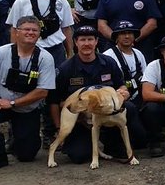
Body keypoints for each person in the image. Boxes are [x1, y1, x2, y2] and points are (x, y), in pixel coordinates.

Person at [0, 16, 57, 173]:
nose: (30, 33)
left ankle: (16, 138)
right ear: (16, 32)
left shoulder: (45, 58)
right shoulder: (1, 53)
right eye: (26, 29)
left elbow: (43, 91)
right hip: (1, 103)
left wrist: (14, 103)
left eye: (34, 30)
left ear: (39, 34)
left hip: (27, 109)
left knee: (26, 155)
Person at [48, 24, 145, 164]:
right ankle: (84, 142)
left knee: (129, 108)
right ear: (76, 42)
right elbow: (54, 101)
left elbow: (122, 86)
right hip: (80, 119)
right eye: (82, 40)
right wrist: (59, 127)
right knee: (79, 156)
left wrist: (123, 93)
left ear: (96, 41)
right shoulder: (66, 69)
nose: (87, 43)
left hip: (108, 116)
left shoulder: (108, 62)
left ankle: (114, 144)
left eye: (90, 39)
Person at [7, 0, 73, 66]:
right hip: (30, 48)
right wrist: (15, 54)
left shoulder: (61, 0)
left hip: (56, 49)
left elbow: (66, 28)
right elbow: (15, 29)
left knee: (58, 80)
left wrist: (70, 54)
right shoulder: (21, 1)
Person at [104, 20, 146, 106]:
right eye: (123, 33)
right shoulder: (107, 56)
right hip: (118, 98)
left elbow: (145, 79)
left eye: (130, 33)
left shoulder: (138, 54)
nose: (127, 36)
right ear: (116, 37)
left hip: (140, 97)